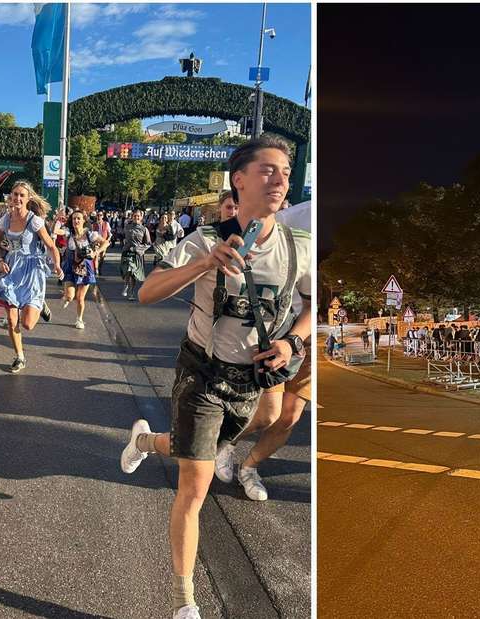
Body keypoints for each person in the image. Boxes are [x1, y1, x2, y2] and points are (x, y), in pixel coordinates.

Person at [118, 136, 311, 619]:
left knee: (194, 448)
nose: (280, 179)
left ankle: (144, 444)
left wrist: (294, 342)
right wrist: (205, 264)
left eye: (285, 170)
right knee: (195, 483)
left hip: (253, 383)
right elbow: (147, 292)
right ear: (239, 180)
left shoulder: (298, 246)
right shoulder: (204, 240)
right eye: (268, 170)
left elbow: (313, 304)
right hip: (201, 375)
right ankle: (186, 601)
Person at [214, 190, 314, 502]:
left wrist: (297, 340)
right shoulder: (294, 217)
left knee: (290, 416)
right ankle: (221, 444)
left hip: (310, 337)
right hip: (278, 329)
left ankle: (249, 467)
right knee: (267, 414)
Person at [0, 181, 63, 373]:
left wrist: (57, 265)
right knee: (12, 317)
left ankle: (40, 303)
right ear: (10, 197)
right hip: (11, 271)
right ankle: (19, 356)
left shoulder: (34, 221)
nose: (17, 198)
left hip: (31, 272)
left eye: (21, 195)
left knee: (27, 324)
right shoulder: (5, 220)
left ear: (28, 198)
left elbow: (51, 246)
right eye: (15, 194)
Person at [59, 209, 109, 329]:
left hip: (85, 268)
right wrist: (58, 219)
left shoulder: (90, 234)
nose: (76, 220)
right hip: (71, 266)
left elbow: (105, 243)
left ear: (83, 220)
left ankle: (79, 319)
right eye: (74, 218)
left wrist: (96, 252)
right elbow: (56, 230)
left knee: (80, 298)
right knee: (71, 296)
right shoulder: (68, 233)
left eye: (78, 218)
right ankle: (66, 296)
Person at [120, 209, 152, 300]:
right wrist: (124, 245)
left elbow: (149, 243)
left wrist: (139, 249)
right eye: (135, 216)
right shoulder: (127, 226)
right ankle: (126, 284)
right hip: (127, 252)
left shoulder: (144, 229)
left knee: (133, 274)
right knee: (128, 269)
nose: (136, 217)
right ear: (132, 216)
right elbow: (123, 236)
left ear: (141, 217)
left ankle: (131, 292)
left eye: (138, 216)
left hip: (137, 253)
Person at [92, 212, 112, 276]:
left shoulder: (106, 224)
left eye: (100, 215)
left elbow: (110, 234)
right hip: (96, 242)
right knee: (96, 255)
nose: (99, 216)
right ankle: (96, 269)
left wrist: (107, 240)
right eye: (98, 215)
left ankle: (100, 268)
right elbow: (92, 234)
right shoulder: (94, 224)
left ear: (102, 216)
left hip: (104, 242)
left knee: (102, 257)